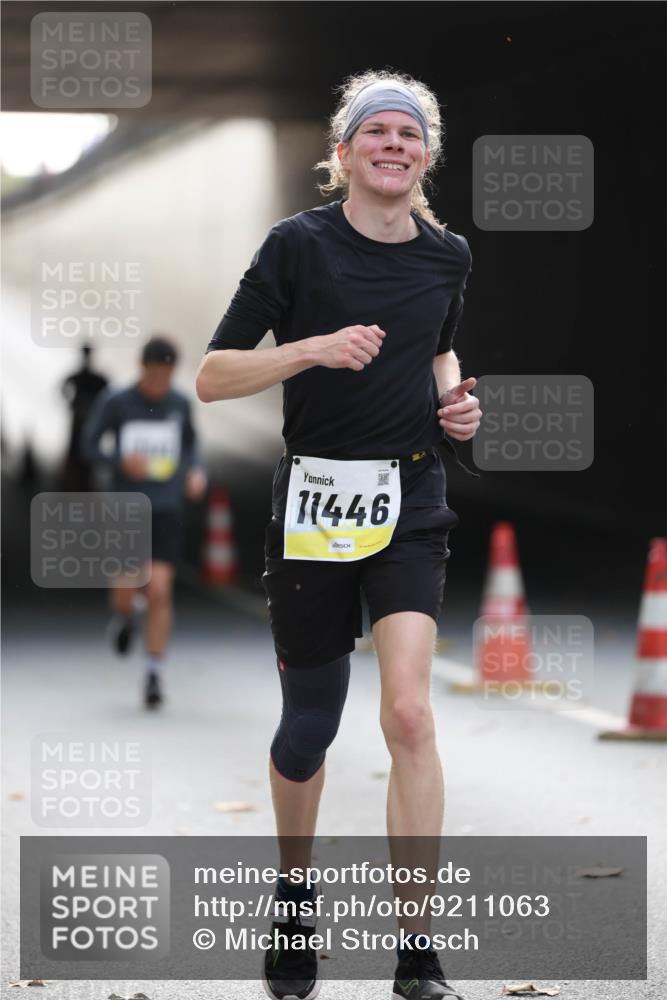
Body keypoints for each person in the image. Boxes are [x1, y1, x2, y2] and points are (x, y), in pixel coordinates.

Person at [197, 69, 481, 1000]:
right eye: (376, 132)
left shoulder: (447, 256)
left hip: (410, 499)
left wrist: (453, 403)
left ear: (426, 157)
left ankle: (417, 954)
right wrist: (310, 350)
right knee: (308, 729)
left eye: (409, 134)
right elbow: (213, 376)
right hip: (316, 502)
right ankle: (292, 893)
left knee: (408, 713)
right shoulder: (296, 248)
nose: (393, 145)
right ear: (343, 152)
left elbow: (437, 345)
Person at [82, 335, 207, 708]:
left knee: (159, 590)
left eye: (165, 377)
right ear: (142, 369)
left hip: (166, 507)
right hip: (126, 507)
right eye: (153, 376)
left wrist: (196, 472)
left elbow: (190, 445)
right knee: (127, 587)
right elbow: (88, 445)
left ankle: (153, 672)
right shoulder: (117, 403)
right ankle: (123, 616)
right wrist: (120, 459)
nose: (158, 385)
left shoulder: (179, 404)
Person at [60, 345, 109, 491]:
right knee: (79, 452)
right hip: (82, 419)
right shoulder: (92, 377)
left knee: (85, 452)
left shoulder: (86, 377)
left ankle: (82, 484)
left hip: (87, 419)